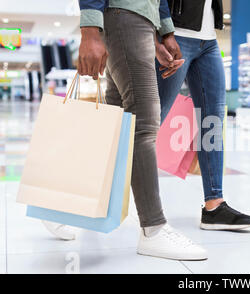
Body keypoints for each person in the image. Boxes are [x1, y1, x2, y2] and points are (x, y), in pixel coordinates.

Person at [43, 0, 208, 261]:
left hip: (139, 18)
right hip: (123, 14)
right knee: (143, 121)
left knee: (119, 125)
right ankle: (154, 229)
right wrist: (89, 30)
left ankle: (60, 203)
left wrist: (164, 33)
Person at [156, 0, 250, 231]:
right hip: (176, 34)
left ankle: (214, 205)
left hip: (208, 40)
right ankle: (95, 191)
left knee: (212, 121)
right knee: (150, 121)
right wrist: (165, 30)